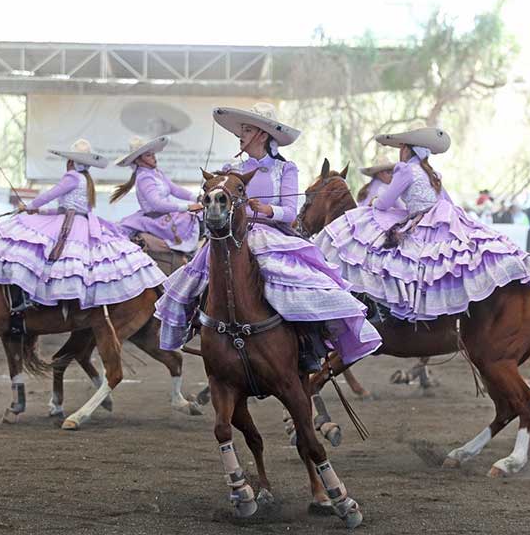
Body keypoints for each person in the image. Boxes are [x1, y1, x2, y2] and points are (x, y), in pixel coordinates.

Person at [154, 103, 381, 373]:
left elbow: (290, 213)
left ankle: (307, 346)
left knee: (297, 285)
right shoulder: (230, 168)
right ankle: (197, 327)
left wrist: (267, 209)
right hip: (232, 236)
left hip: (270, 235)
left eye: (247, 130)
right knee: (195, 282)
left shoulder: (285, 169)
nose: (241, 134)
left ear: (262, 135)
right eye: (241, 130)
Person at [316, 127, 530, 321]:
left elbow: (385, 202)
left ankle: (383, 306)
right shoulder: (432, 173)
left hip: (419, 220)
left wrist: (375, 203)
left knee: (386, 252)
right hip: (440, 219)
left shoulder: (404, 170)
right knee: (438, 262)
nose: (399, 152)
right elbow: (445, 201)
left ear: (407, 150)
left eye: (401, 148)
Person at [0, 139, 165, 307]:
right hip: (80, 221)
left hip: (69, 225)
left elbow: (50, 194)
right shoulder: (85, 179)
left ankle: (31, 297)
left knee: (42, 256)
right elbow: (65, 207)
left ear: (71, 161)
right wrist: (37, 211)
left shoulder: (72, 177)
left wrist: (30, 206)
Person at [111, 135, 203, 253]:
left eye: (153, 154)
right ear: (138, 161)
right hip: (157, 219)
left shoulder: (156, 173)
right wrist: (187, 207)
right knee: (194, 219)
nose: (154, 157)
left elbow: (174, 189)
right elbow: (157, 205)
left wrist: (197, 197)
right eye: (149, 155)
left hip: (166, 214)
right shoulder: (144, 177)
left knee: (200, 214)